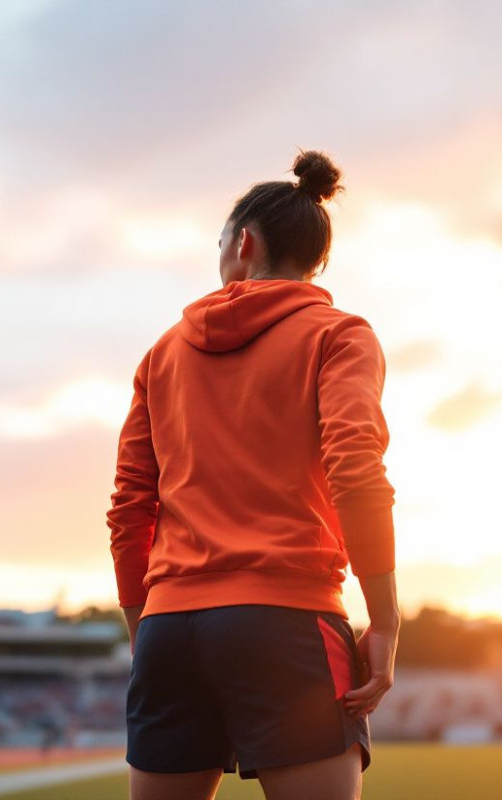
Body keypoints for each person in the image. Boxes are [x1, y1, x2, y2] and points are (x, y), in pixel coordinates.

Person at [107, 150, 400, 800]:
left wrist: (148, 633)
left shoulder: (160, 354)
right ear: (314, 261)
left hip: (166, 627)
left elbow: (131, 510)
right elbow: (355, 469)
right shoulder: (340, 335)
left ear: (243, 243)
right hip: (287, 619)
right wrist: (384, 622)